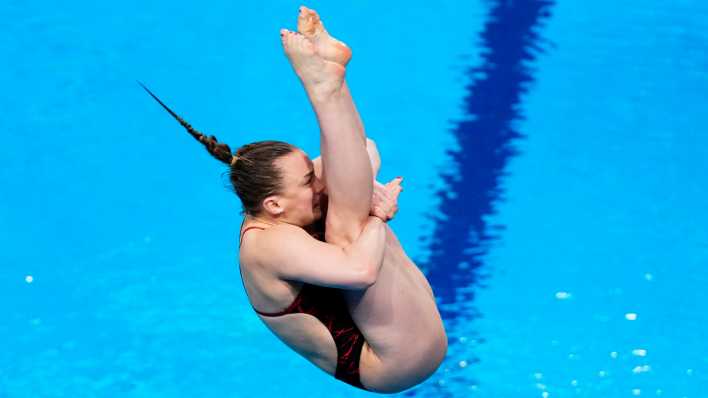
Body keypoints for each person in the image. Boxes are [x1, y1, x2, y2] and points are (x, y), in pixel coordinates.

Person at [141, 7, 447, 393]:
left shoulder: (285, 204)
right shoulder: (268, 245)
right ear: (274, 206)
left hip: (411, 330)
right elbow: (360, 271)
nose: (317, 185)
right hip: (391, 362)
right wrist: (377, 216)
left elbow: (364, 150)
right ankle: (323, 89)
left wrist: (365, 186)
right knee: (348, 228)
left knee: (346, 193)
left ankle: (332, 80)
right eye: (307, 181)